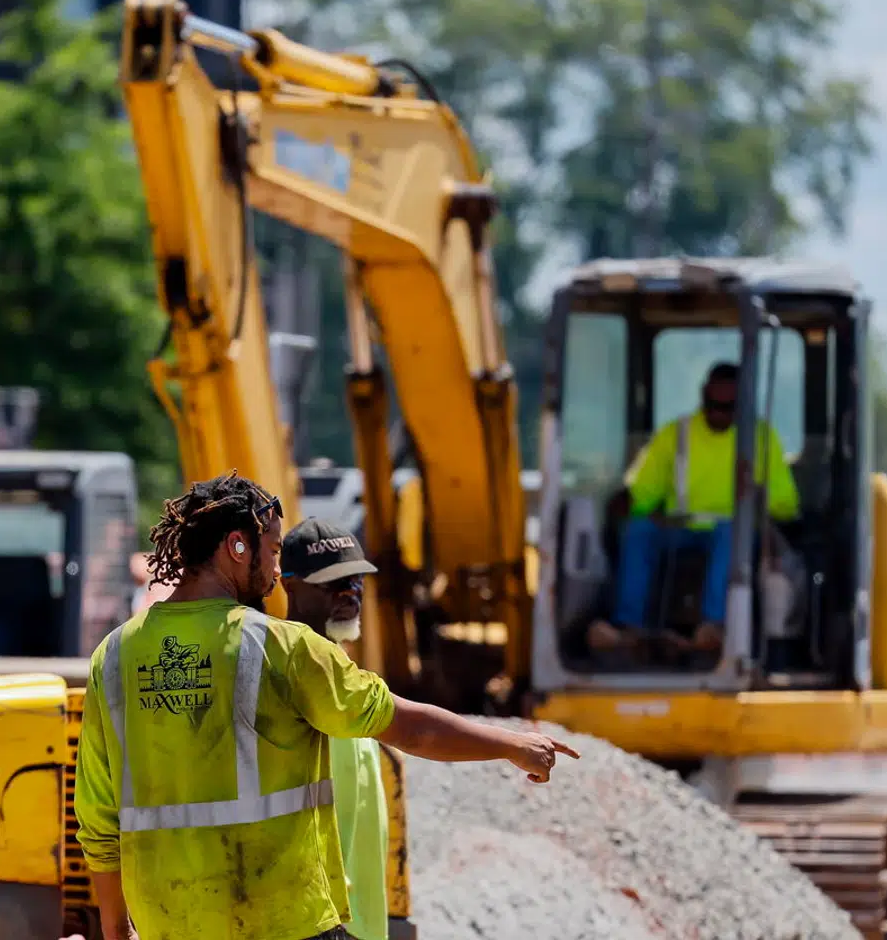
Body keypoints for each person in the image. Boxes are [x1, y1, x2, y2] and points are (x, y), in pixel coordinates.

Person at [74, 472, 579, 940]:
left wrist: (116, 931)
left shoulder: (114, 656)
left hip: (170, 925)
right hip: (282, 920)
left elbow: (98, 817)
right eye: (271, 552)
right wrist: (514, 745)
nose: (275, 572)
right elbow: (410, 729)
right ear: (236, 546)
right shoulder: (282, 647)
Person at [587, 361, 799, 659]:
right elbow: (644, 493)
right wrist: (629, 503)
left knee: (732, 533)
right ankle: (628, 627)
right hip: (680, 529)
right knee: (639, 531)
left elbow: (786, 503)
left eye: (728, 407)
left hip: (729, 532)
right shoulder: (677, 434)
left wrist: (760, 498)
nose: (718, 413)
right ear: (703, 396)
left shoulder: (762, 440)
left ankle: (712, 627)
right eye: (713, 405)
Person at [280, 518, 388, 940]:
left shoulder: (345, 675)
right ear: (288, 585)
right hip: (315, 924)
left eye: (356, 580)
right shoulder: (282, 673)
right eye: (333, 583)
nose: (351, 595)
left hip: (357, 924)